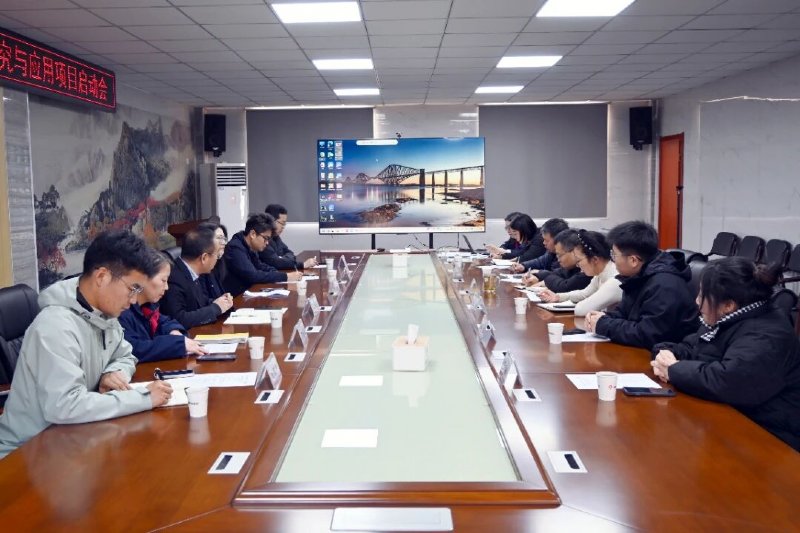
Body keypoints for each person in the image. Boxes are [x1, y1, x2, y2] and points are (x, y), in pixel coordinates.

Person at [0, 230, 173, 459]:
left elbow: (126, 355)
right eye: (132, 288)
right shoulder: (55, 326)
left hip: (74, 439)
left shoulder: (103, 315)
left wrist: (113, 373)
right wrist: (143, 398)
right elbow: (65, 406)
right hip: (27, 453)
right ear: (102, 277)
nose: (133, 300)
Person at [651, 258, 800, 451]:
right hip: (733, 419)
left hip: (771, 438)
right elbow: (694, 347)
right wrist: (665, 353)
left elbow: (727, 381)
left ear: (728, 305)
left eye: (703, 295)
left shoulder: (767, 335)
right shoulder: (728, 319)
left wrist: (674, 370)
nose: (697, 301)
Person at [584, 221, 698, 349]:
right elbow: (624, 314)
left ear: (633, 260)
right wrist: (602, 318)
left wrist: (604, 325)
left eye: (614, 255)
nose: (613, 260)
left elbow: (648, 334)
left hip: (666, 355)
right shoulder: (638, 277)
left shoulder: (664, 285)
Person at [119, 250, 207, 362]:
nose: (166, 287)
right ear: (143, 278)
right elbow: (134, 348)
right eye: (163, 280)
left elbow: (164, 321)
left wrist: (173, 331)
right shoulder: (122, 310)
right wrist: (177, 344)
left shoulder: (149, 304)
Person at [161, 227, 234, 329]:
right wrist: (215, 308)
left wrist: (221, 303)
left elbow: (199, 303)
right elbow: (179, 319)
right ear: (204, 258)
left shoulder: (191, 271)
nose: (217, 259)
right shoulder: (174, 278)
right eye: (216, 255)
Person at [538, 230, 622, 317]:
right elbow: (584, 294)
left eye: (579, 261)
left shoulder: (614, 280)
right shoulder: (601, 273)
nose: (577, 265)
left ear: (595, 259)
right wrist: (558, 297)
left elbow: (581, 310)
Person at [224, 213, 303, 296]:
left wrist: (276, 273)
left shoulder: (250, 246)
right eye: (265, 238)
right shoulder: (235, 248)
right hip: (237, 298)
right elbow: (253, 275)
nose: (267, 243)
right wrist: (285, 276)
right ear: (253, 234)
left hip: (249, 292)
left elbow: (261, 266)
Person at [525, 229, 591, 292]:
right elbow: (557, 273)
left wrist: (545, 281)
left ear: (574, 252)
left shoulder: (587, 270)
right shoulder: (571, 267)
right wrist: (538, 275)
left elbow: (564, 286)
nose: (558, 259)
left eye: (559, 255)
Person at [259, 204, 317, 270]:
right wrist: (303, 264)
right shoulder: (262, 239)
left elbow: (290, 253)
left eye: (284, 224)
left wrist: (282, 259)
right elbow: (275, 263)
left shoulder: (275, 237)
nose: (283, 227)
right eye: (282, 223)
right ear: (271, 221)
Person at [197, 221, 228, 300]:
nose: (224, 243)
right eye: (219, 238)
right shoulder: (199, 267)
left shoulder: (218, 263)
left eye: (224, 239)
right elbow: (203, 301)